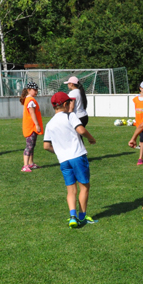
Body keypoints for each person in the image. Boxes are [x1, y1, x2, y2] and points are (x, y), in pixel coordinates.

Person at [43, 92, 97, 228]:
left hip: (63, 160)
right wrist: (91, 138)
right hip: (77, 156)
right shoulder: (70, 116)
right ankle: (82, 217)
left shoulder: (49, 124)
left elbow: (46, 146)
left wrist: (60, 151)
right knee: (84, 187)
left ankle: (72, 217)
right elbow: (81, 130)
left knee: (70, 190)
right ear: (66, 104)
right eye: (70, 102)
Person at [20, 82, 44, 172]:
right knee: (29, 146)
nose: (36, 92)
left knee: (32, 145)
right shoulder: (30, 100)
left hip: (32, 127)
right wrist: (37, 124)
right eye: (35, 90)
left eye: (37, 90)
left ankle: (31, 163)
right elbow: (32, 113)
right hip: (31, 127)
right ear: (29, 90)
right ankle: (25, 165)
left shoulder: (30, 99)